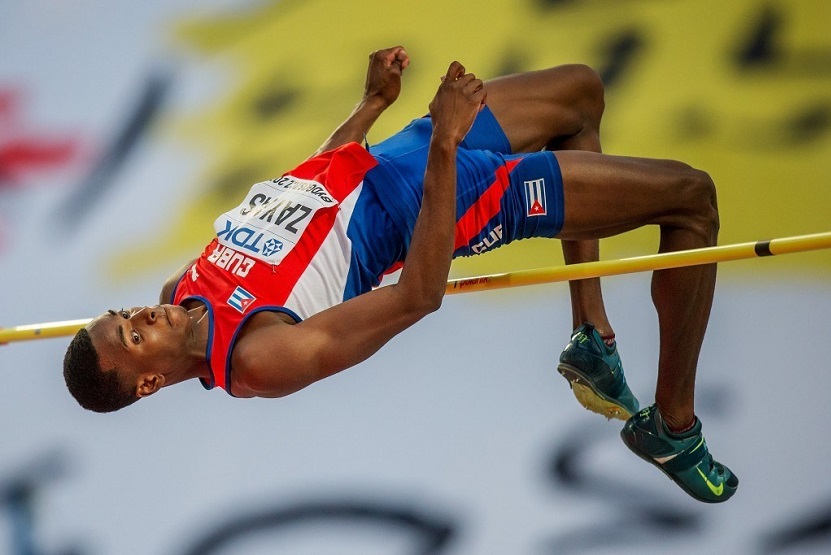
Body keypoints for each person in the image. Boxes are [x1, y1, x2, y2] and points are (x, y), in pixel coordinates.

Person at [63, 46, 737, 503]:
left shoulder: (178, 292)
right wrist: (445, 141)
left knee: (580, 92)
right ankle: (672, 425)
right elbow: (419, 295)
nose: (143, 318)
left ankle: (590, 329)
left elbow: (301, 194)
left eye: (126, 315)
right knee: (691, 196)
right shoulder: (260, 357)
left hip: (395, 154)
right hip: (452, 196)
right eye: (133, 337)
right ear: (149, 381)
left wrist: (368, 106)